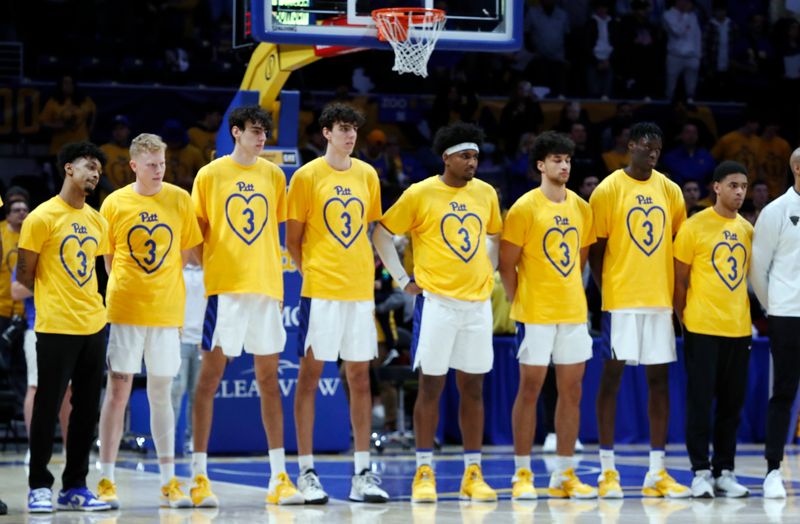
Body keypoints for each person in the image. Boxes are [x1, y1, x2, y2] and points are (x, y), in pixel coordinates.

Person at [372, 122, 502, 503]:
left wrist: (488, 269)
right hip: (438, 303)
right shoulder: (420, 193)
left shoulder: (487, 193)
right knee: (431, 386)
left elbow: (494, 234)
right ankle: (423, 470)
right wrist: (400, 279)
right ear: (446, 157)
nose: (472, 162)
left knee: (473, 388)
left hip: (476, 305)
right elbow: (381, 233)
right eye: (465, 155)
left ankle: (472, 472)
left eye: (476, 156)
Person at [190, 105, 303, 507]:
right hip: (226, 293)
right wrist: (217, 271)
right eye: (254, 132)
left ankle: (279, 477)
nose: (261, 139)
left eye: (265, 134)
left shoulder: (274, 175)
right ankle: (199, 477)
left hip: (267, 290)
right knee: (209, 380)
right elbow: (194, 235)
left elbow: (275, 229)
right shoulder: (210, 174)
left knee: (270, 383)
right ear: (235, 132)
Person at [286, 102, 389, 504]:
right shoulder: (306, 176)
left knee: (360, 378)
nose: (350, 136)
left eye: (354, 130)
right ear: (326, 132)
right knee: (310, 378)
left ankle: (362, 473)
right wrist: (313, 276)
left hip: (360, 294)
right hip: (322, 294)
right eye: (342, 129)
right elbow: (293, 242)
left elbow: (373, 230)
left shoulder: (367, 174)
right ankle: (306, 471)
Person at [96, 133, 203, 509]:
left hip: (166, 313)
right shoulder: (114, 203)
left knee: (163, 395)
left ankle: (168, 481)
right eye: (152, 164)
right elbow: (108, 261)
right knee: (118, 392)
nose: (159, 170)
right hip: (126, 311)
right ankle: (106, 479)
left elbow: (190, 252)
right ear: (134, 166)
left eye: (162, 163)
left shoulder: (179, 198)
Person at [588, 122, 690, 499]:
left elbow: (680, 245)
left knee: (659, 383)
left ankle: (656, 472)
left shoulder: (671, 190)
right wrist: (608, 293)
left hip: (660, 302)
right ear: (629, 146)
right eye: (646, 145)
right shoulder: (608, 188)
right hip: (621, 302)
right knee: (611, 380)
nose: (653, 152)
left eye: (658, 147)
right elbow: (595, 250)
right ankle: (608, 470)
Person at [498, 131, 597, 500]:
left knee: (572, 393)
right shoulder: (524, 207)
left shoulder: (582, 208)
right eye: (557, 159)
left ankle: (564, 475)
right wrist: (518, 302)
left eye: (568, 160)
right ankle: (522, 473)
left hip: (572, 312)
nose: (564, 166)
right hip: (535, 314)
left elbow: (581, 258)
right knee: (530, 389)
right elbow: (506, 264)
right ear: (541, 165)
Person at [18, 141, 111, 512]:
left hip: (94, 325)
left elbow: (99, 273)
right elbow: (24, 276)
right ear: (68, 169)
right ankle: (39, 485)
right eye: (89, 166)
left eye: (99, 171)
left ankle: (75, 485)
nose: (94, 174)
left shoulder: (98, 219)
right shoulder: (41, 217)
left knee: (86, 411)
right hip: (55, 325)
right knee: (46, 407)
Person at [673, 160, 753, 498]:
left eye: (743, 186)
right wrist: (685, 321)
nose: (739, 191)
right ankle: (700, 471)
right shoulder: (695, 226)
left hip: (739, 329)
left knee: (731, 406)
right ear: (716, 187)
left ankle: (725, 470)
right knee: (700, 403)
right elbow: (678, 282)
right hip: (702, 327)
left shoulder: (748, 230)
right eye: (732, 185)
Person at [750, 147, 800, 499]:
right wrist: (774, 308)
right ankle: (771, 470)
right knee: (783, 391)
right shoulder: (776, 211)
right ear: (796, 167)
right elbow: (757, 269)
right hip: (787, 315)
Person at [170, 261, 206, 452]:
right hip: (180, 338)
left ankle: (193, 441)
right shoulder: (178, 269)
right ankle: (169, 440)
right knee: (176, 389)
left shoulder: (209, 268)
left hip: (202, 341)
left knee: (198, 393)